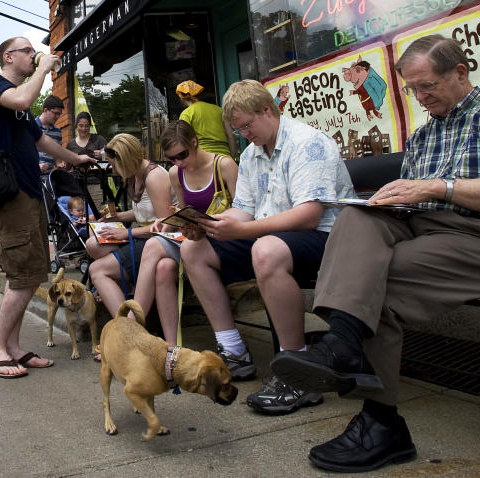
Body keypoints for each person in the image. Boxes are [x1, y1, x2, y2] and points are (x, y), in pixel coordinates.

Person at [270, 34, 480, 473]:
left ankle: (378, 416)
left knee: (375, 284)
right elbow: (413, 205)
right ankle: (346, 349)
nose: (420, 97)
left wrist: (435, 187)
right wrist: (391, 200)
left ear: (460, 72)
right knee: (357, 217)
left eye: (427, 86)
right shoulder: (426, 135)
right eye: (412, 89)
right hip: (432, 237)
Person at [180, 79, 353, 416]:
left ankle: (299, 372)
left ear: (267, 110)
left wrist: (243, 230)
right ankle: (234, 351)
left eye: (247, 125)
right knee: (194, 250)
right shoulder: (251, 154)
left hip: (327, 238)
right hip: (272, 236)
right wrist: (210, 225)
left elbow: (309, 215)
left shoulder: (307, 143)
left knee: (265, 249)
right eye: (238, 129)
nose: (245, 134)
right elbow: (244, 209)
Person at [0, 37, 97, 379]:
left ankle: (12, 347)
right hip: (10, 197)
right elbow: (23, 97)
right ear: (8, 56)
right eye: (27, 51)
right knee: (22, 274)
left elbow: (41, 139)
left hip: (28, 195)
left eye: (34, 51)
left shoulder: (22, 108)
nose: (33, 55)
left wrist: (76, 159)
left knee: (29, 274)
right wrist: (44, 67)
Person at [133, 120, 238, 344]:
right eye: (172, 159)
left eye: (182, 155)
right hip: (193, 238)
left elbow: (243, 210)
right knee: (163, 267)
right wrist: (167, 222)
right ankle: (172, 347)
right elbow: (183, 211)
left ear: (194, 142)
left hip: (222, 239)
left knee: (152, 246)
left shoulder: (224, 165)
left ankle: (130, 327)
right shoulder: (176, 173)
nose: (179, 162)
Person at [85, 133, 172, 321]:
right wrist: (116, 217)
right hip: (144, 237)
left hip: (156, 242)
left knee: (97, 269)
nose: (114, 170)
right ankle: (125, 287)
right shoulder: (136, 175)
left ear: (125, 159)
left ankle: (127, 326)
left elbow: (164, 224)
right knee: (93, 239)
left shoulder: (154, 177)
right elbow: (144, 213)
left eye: (114, 164)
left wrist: (126, 232)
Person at [176, 80, 236, 158]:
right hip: (224, 157)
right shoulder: (218, 109)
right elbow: (230, 135)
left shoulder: (186, 113)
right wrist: (232, 157)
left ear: (182, 98)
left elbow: (183, 140)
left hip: (202, 158)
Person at [37, 94, 65, 173]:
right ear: (45, 110)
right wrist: (36, 166)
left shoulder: (57, 131)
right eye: (55, 113)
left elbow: (57, 156)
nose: (57, 117)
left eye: (59, 114)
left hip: (50, 177)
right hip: (32, 176)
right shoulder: (31, 127)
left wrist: (59, 164)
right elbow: (23, 155)